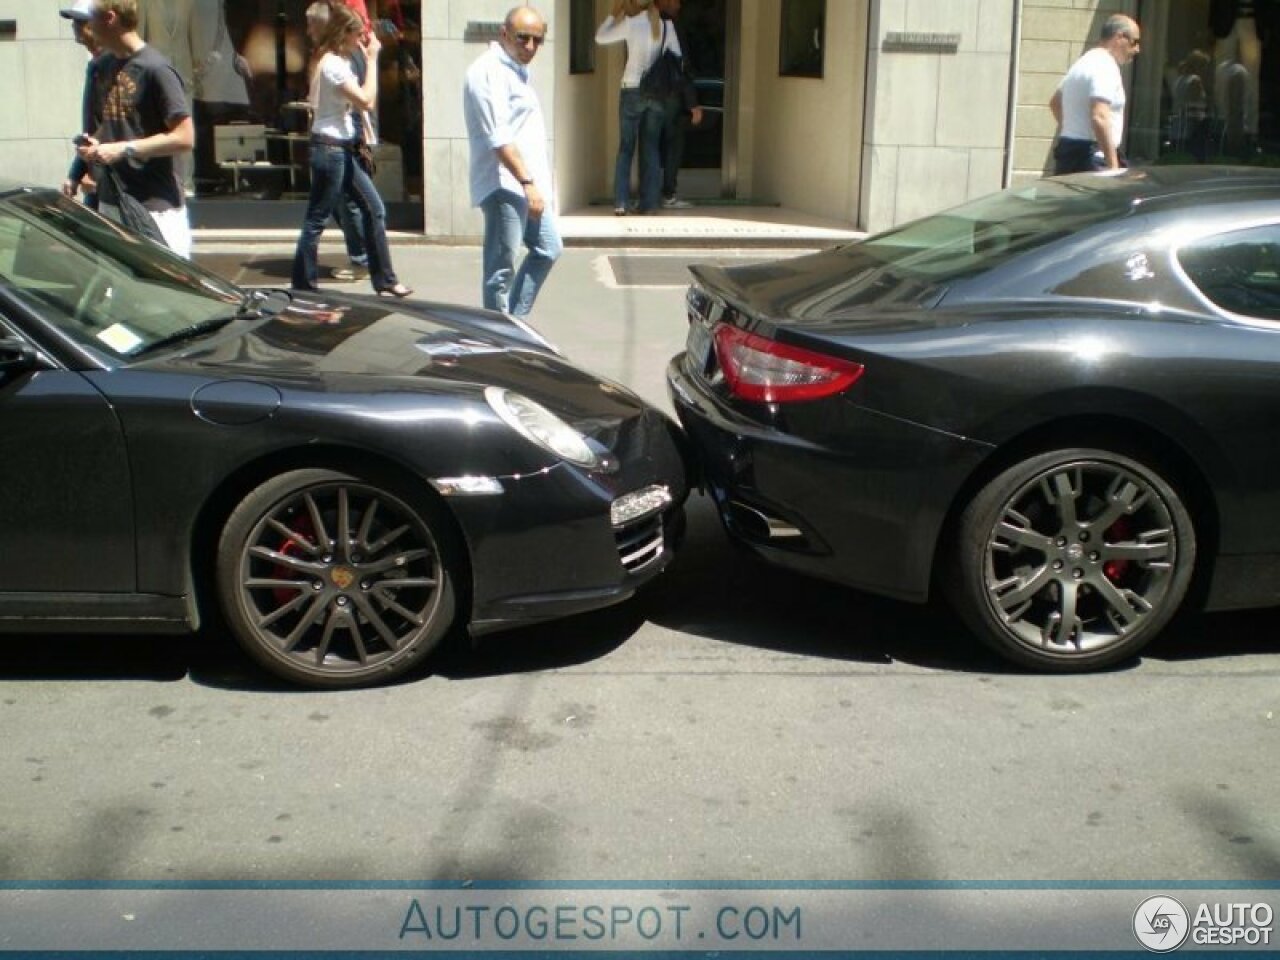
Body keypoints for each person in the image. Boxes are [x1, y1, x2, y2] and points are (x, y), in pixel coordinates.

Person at [291, 3, 410, 297]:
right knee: (317, 219)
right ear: (343, 35)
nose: (360, 42)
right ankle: (304, 286)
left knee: (374, 209)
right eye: (357, 36)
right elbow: (366, 101)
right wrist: (372, 60)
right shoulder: (332, 64)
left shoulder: (338, 62)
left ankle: (385, 280)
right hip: (330, 150)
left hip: (340, 149)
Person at [463, 6, 561, 318]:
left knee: (549, 248)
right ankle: (498, 339)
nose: (530, 47)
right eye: (523, 38)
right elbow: (498, 137)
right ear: (504, 34)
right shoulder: (487, 71)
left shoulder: (514, 70)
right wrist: (527, 183)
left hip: (523, 185)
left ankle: (513, 326)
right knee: (500, 271)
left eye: (537, 40)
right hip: (504, 184)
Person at [78, 0, 195, 258]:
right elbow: (112, 126)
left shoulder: (156, 69)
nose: (88, 26)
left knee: (169, 290)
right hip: (113, 202)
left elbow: (185, 137)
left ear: (110, 18)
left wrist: (124, 149)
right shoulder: (101, 67)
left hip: (155, 205)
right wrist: (93, 150)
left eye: (92, 18)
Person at [595, 0, 684, 215]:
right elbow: (678, 59)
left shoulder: (631, 23)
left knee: (626, 147)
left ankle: (621, 202)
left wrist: (612, 15)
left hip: (631, 89)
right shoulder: (667, 26)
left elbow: (600, 37)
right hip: (656, 93)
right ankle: (649, 203)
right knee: (651, 147)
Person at [306, 0, 370, 283]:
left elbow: (361, 101)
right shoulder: (331, 58)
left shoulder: (339, 58)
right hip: (336, 141)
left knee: (348, 206)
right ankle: (367, 262)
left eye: (311, 25)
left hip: (340, 142)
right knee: (347, 206)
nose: (307, 31)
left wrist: (358, 141)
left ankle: (363, 261)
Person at [1048, 14, 1141, 174]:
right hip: (1091, 157)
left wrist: (1073, 129)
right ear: (1119, 37)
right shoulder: (1105, 66)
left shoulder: (1084, 62)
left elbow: (1055, 102)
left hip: (1068, 151)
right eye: (1134, 42)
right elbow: (1099, 116)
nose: (1137, 49)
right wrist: (1113, 167)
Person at [60, 0, 110, 209]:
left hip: (110, 177)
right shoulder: (95, 65)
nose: (75, 27)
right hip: (96, 171)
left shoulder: (110, 66)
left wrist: (96, 174)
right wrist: (75, 174)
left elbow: (112, 124)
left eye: (80, 22)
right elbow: (90, 129)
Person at [655, 0, 702, 209]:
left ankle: (648, 194)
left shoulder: (643, 24)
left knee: (650, 143)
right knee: (673, 143)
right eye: (674, 0)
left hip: (647, 93)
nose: (680, 5)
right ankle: (668, 193)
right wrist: (692, 102)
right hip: (671, 94)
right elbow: (682, 66)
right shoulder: (672, 26)